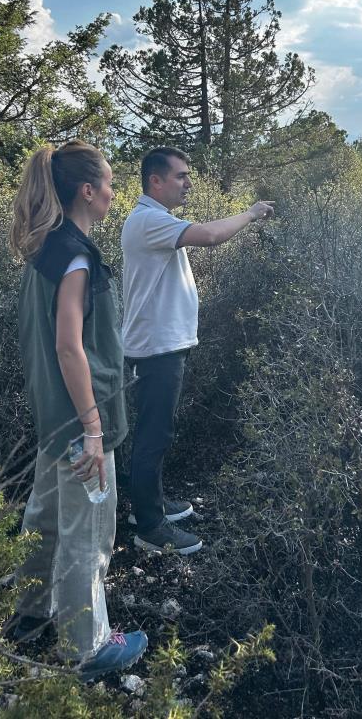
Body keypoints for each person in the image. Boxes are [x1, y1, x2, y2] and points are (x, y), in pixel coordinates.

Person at [7, 140, 146, 678]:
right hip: (82, 422)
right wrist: (93, 427)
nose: (113, 193)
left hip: (51, 417)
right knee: (87, 535)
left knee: (44, 520)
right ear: (87, 191)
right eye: (109, 183)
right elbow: (69, 346)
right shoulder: (77, 257)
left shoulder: (45, 247)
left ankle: (28, 615)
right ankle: (85, 649)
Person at [122, 146, 274, 554]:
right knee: (153, 436)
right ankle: (150, 527)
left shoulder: (156, 220)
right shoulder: (148, 220)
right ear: (155, 181)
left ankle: (147, 506)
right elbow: (210, 236)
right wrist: (251, 212)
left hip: (162, 346)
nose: (188, 183)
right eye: (180, 176)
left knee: (157, 431)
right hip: (156, 349)